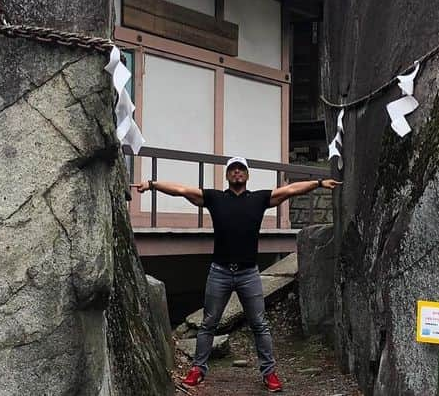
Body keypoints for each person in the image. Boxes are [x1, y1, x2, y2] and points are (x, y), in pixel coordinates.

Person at [132, 156, 341, 392]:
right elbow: (181, 190)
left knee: (259, 324)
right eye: (233, 169)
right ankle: (198, 369)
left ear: (247, 175)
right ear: (228, 175)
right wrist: (151, 185)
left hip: (248, 273)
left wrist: (320, 184)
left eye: (241, 169)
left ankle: (269, 372)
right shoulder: (215, 198)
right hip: (219, 272)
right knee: (209, 322)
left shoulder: (259, 198)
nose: (237, 172)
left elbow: (291, 190)